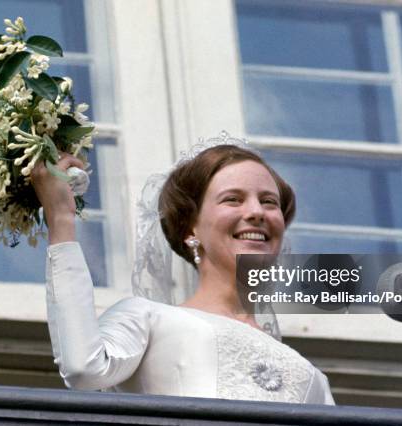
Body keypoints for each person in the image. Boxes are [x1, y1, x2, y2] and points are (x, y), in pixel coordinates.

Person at [31, 136, 334, 404]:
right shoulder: (149, 319)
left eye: (269, 202)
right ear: (191, 226)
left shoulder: (312, 379)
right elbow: (83, 368)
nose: (256, 212)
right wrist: (61, 218)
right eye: (233, 199)